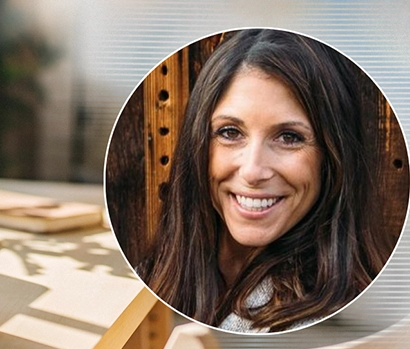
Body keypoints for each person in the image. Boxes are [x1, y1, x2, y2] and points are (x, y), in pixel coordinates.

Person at [136, 29, 396, 333]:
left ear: (332, 158)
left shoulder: (321, 328)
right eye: (230, 132)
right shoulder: (151, 278)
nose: (252, 171)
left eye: (289, 137)